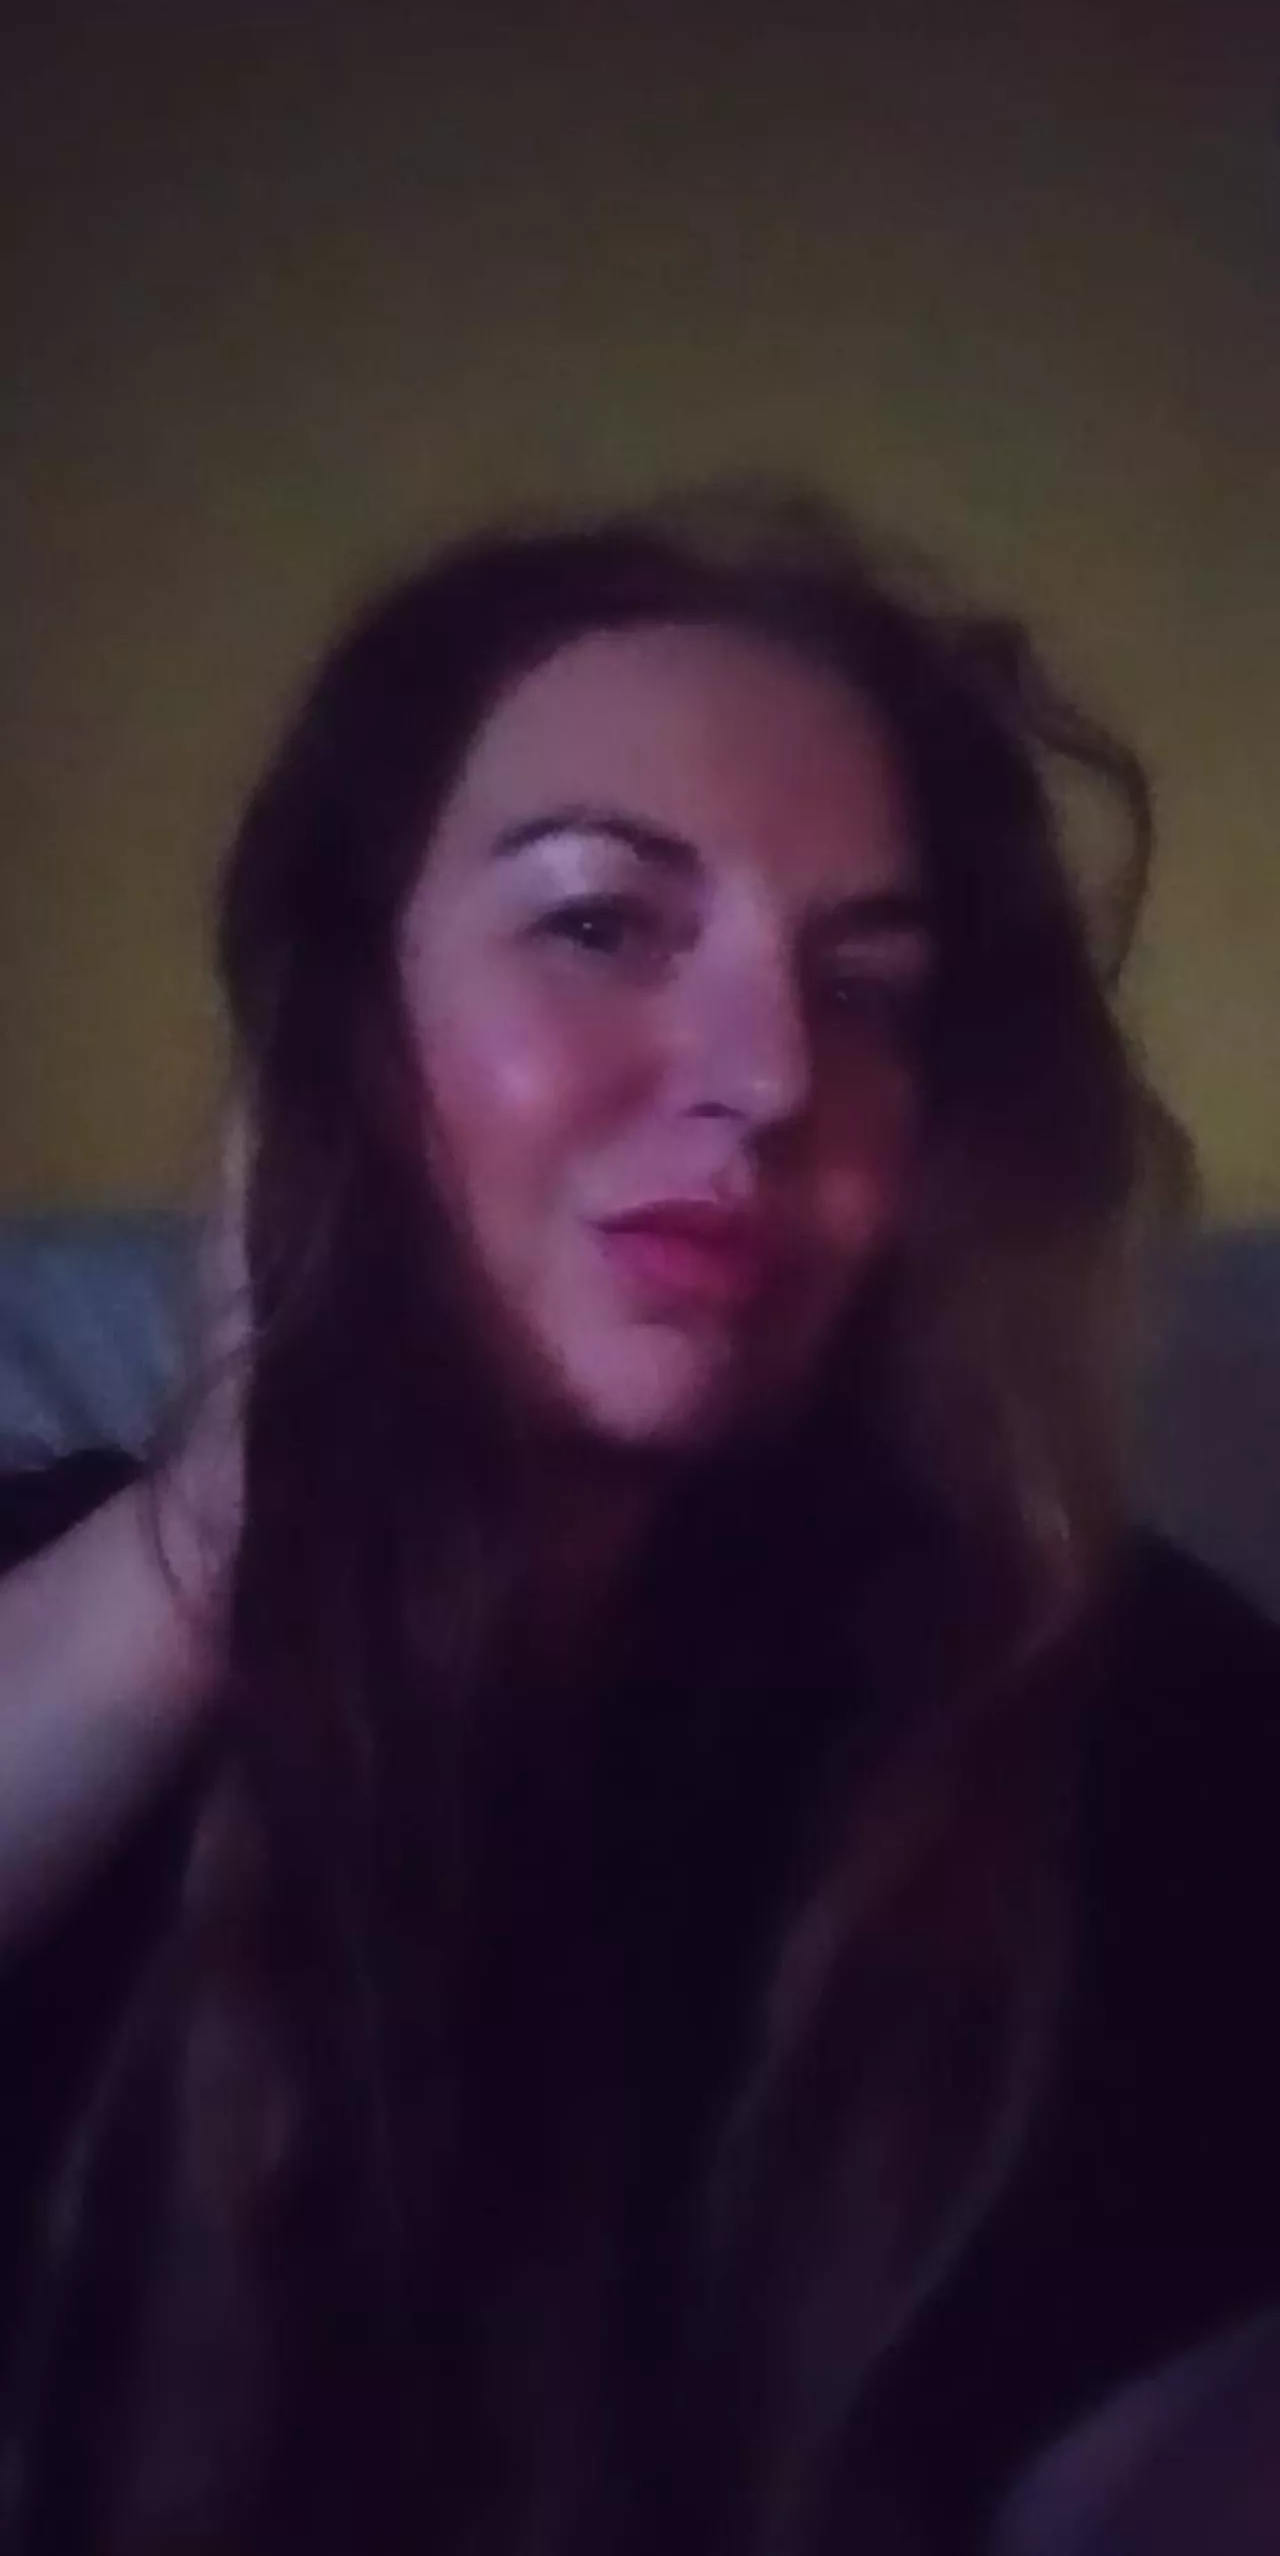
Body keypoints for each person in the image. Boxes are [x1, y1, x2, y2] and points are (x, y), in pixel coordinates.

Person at [0, 490, 1278, 2556]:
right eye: (602, 924)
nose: (771, 1075)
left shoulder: (1130, 1710)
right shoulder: (65, 1614)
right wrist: (224, 1541)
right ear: (340, 1021)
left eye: (873, 992)